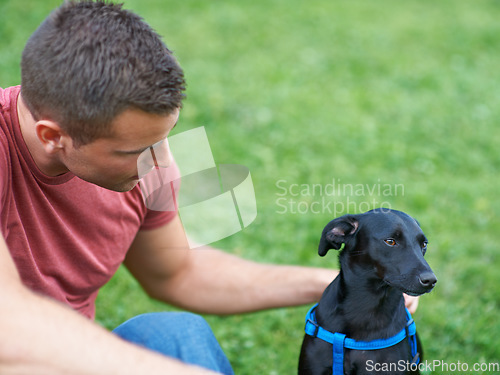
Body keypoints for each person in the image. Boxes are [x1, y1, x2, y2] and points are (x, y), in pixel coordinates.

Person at [0, 1, 418, 374]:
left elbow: (177, 271)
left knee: (173, 331)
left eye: (167, 136)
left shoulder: (149, 164)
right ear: (53, 136)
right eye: (140, 150)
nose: (165, 163)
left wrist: (330, 283)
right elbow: (12, 331)